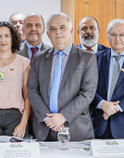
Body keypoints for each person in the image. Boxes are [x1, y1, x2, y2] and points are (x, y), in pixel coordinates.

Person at [27, 13, 97, 142]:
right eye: (53, 29)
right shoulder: (39, 58)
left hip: (75, 129)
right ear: (48, 34)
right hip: (44, 129)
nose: (58, 32)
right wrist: (46, 118)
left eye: (62, 27)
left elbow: (88, 93)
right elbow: (32, 89)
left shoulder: (87, 58)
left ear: (70, 31)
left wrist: (63, 116)